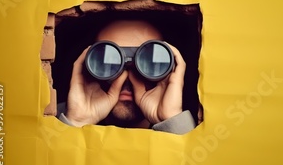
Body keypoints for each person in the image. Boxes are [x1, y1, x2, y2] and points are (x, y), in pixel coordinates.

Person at [56, 19, 196, 134]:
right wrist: (78, 121)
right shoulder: (53, 120)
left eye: (146, 61)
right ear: (89, 64)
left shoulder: (202, 127)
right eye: (112, 61)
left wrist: (170, 119)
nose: (127, 76)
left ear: (169, 72)